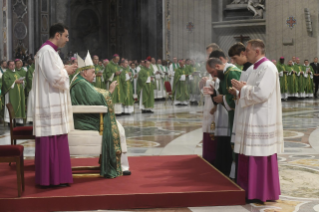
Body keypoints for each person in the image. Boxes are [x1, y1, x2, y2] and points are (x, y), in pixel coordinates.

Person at [231, 39, 283, 202]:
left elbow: (262, 93)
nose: (245, 53)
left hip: (261, 119)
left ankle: (259, 192)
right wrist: (243, 88)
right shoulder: (255, 68)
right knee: (249, 154)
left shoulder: (267, 67)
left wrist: (243, 88)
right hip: (253, 117)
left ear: (257, 51)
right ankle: (249, 190)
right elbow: (254, 89)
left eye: (248, 50)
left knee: (258, 155)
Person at [70, 52, 130, 177]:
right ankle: (119, 166)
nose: (95, 75)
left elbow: (95, 94)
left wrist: (107, 91)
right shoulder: (81, 84)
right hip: (84, 119)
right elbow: (97, 98)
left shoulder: (81, 81)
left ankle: (122, 165)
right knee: (118, 129)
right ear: (84, 72)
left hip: (84, 116)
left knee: (119, 127)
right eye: (92, 73)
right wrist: (110, 91)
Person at [32, 23, 77, 187]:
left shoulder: (50, 52)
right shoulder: (47, 51)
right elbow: (54, 78)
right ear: (57, 35)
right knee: (51, 138)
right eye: (66, 36)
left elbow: (54, 72)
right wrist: (67, 71)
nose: (67, 39)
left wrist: (65, 68)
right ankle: (51, 179)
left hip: (53, 100)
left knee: (56, 138)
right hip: (49, 101)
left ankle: (57, 177)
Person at [204, 49, 241, 177]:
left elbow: (238, 96)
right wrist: (215, 94)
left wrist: (223, 98)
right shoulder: (224, 74)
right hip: (230, 114)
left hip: (237, 115)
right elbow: (224, 95)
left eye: (213, 72)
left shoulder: (232, 73)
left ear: (218, 65)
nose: (213, 76)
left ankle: (235, 174)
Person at [228, 42, 253, 180]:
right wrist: (237, 91)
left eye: (235, 59)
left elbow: (255, 93)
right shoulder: (245, 68)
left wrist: (241, 90)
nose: (233, 62)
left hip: (248, 114)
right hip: (241, 110)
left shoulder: (252, 69)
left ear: (243, 53)